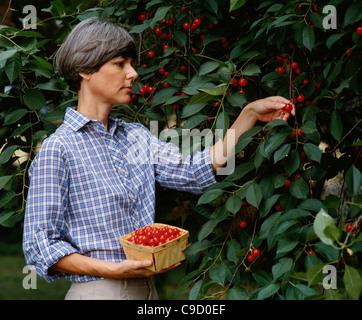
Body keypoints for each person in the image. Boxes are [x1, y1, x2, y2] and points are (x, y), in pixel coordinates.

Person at [22, 17, 295, 300]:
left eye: (131, 63)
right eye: (120, 64)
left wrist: (248, 114)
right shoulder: (60, 149)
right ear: (84, 70)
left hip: (147, 291)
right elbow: (39, 245)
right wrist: (115, 270)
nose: (133, 73)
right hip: (98, 291)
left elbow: (192, 171)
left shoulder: (135, 136)